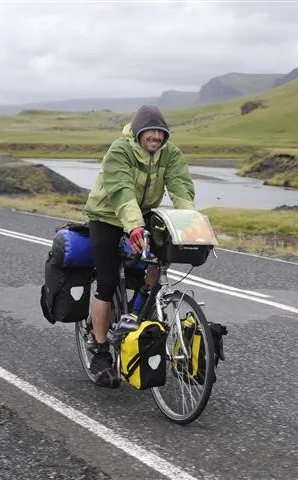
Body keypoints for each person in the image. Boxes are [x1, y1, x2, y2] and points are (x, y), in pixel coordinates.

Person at [83, 105, 195, 387]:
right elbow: (121, 191)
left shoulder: (170, 154)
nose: (156, 136)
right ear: (138, 132)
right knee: (107, 282)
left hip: (143, 214)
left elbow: (180, 188)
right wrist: (134, 227)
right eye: (150, 131)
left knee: (158, 262)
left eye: (161, 132)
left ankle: (137, 311)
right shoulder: (120, 150)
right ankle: (99, 350)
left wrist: (191, 223)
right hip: (107, 217)